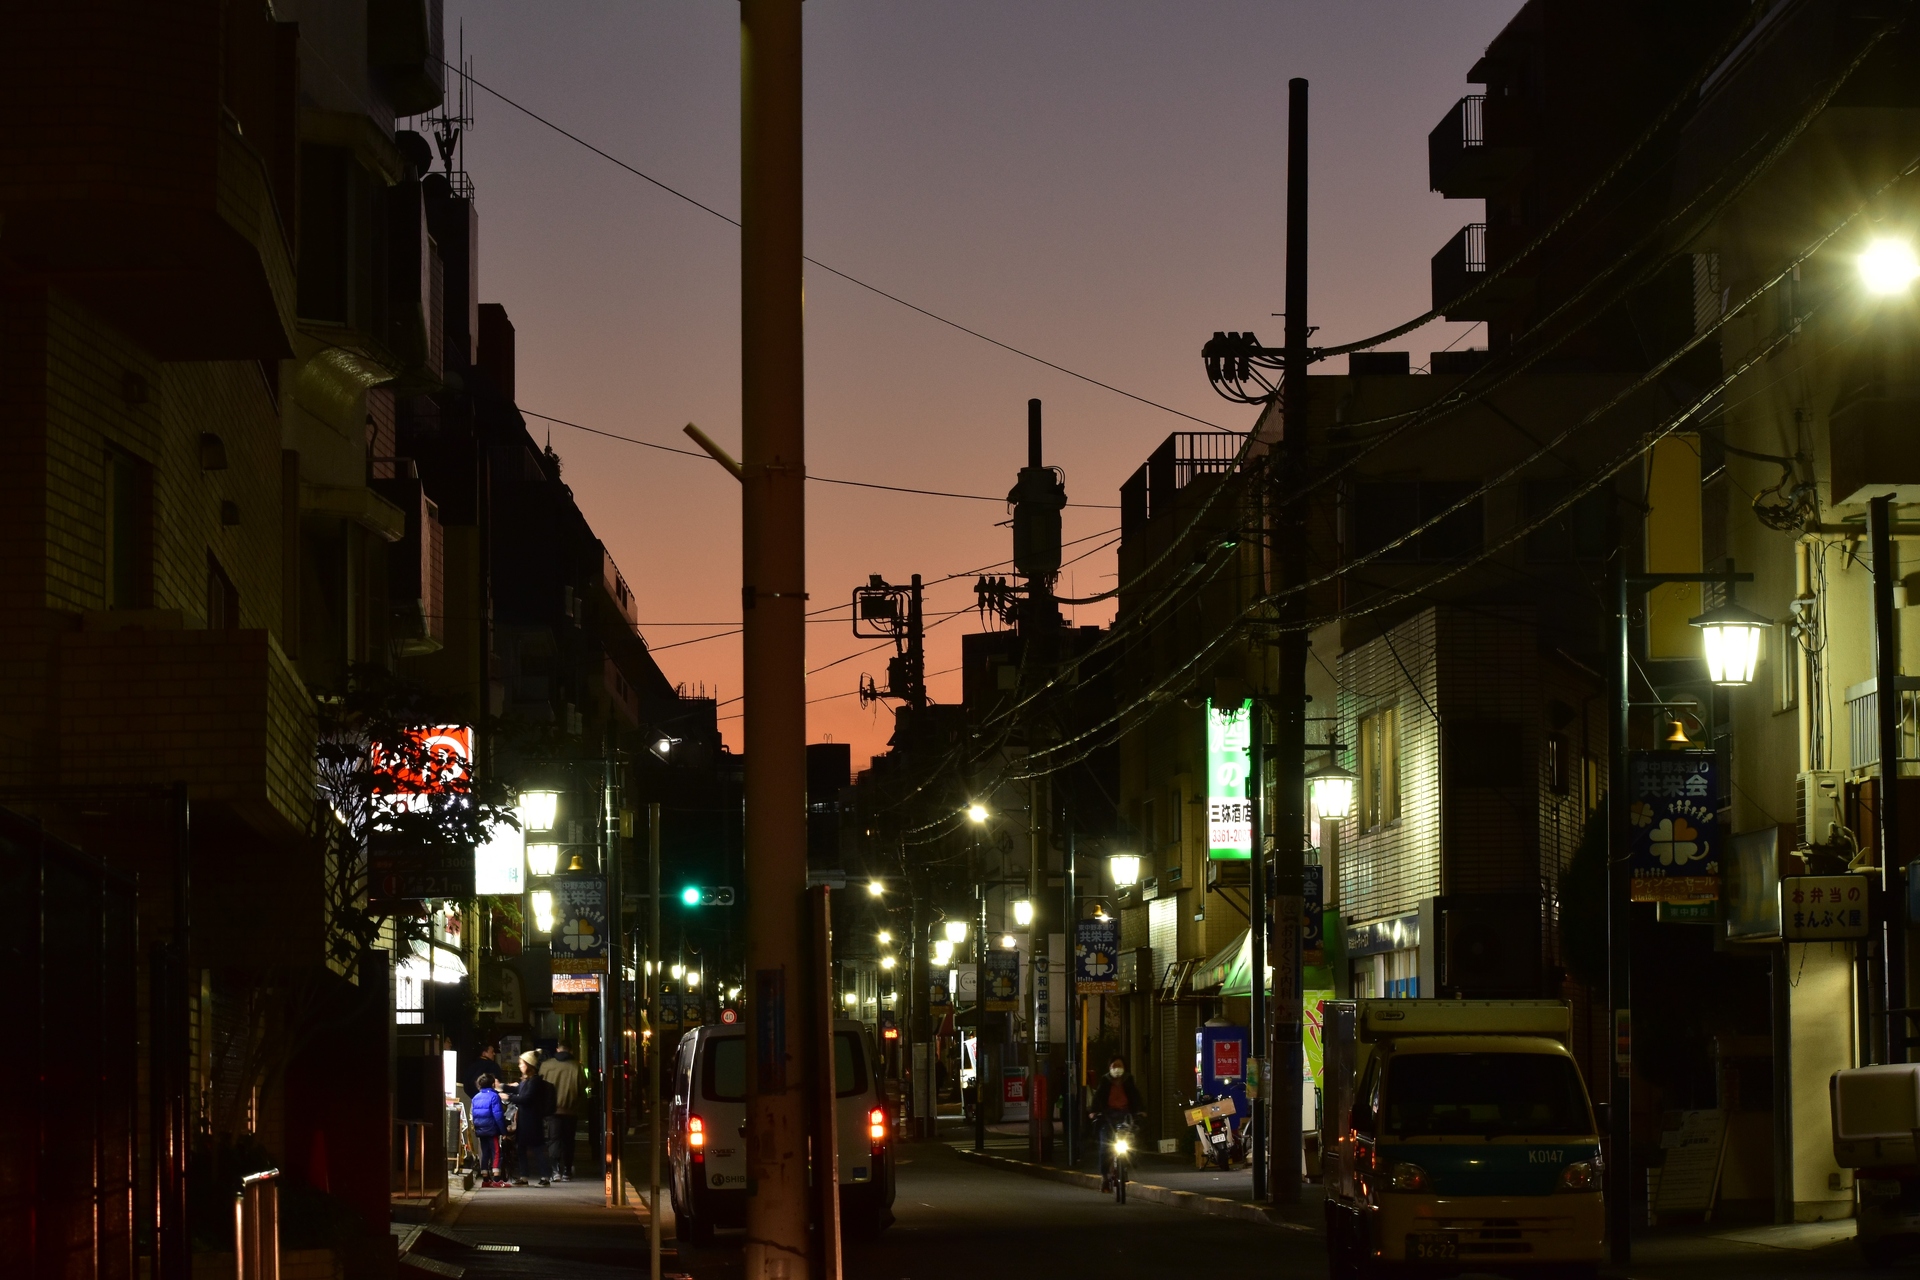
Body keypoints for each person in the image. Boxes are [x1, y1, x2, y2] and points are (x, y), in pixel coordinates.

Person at [1089, 1055, 1145, 1190]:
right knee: (1105, 1147)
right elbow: (1098, 1098)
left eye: (1119, 1066)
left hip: (1125, 1117)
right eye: (1114, 1066)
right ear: (1109, 1068)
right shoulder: (1105, 1081)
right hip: (1107, 1117)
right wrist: (1094, 1111)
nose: (1117, 1069)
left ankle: (1125, 1167)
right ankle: (1105, 1177)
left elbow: (1136, 1097)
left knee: (1131, 1143)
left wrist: (1141, 1111)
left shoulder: (1128, 1081)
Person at [540, 1042, 584, 1181]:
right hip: (570, 1110)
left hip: (552, 1110)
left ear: (557, 1049)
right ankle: (567, 1170)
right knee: (569, 1141)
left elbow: (539, 1085)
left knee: (554, 1139)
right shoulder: (576, 1066)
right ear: (570, 1050)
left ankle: (555, 1170)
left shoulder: (546, 1065)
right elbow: (583, 1085)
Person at [513, 1050, 556, 1186]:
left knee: (537, 1147)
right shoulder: (528, 1081)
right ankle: (526, 1176)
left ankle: (544, 1176)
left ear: (529, 1065)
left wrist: (509, 1097)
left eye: (522, 1063)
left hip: (531, 1119)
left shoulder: (534, 1081)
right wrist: (503, 1087)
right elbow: (519, 1091)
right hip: (527, 1119)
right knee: (523, 1148)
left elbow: (526, 1098)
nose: (520, 1066)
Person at [471, 1073, 505, 1182]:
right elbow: (498, 1115)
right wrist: (503, 1131)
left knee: (485, 1152)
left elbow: (473, 1114)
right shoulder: (494, 1096)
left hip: (480, 1129)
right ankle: (496, 1176)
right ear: (492, 1084)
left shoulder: (475, 1097)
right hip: (492, 1129)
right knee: (496, 1151)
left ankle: (485, 1176)